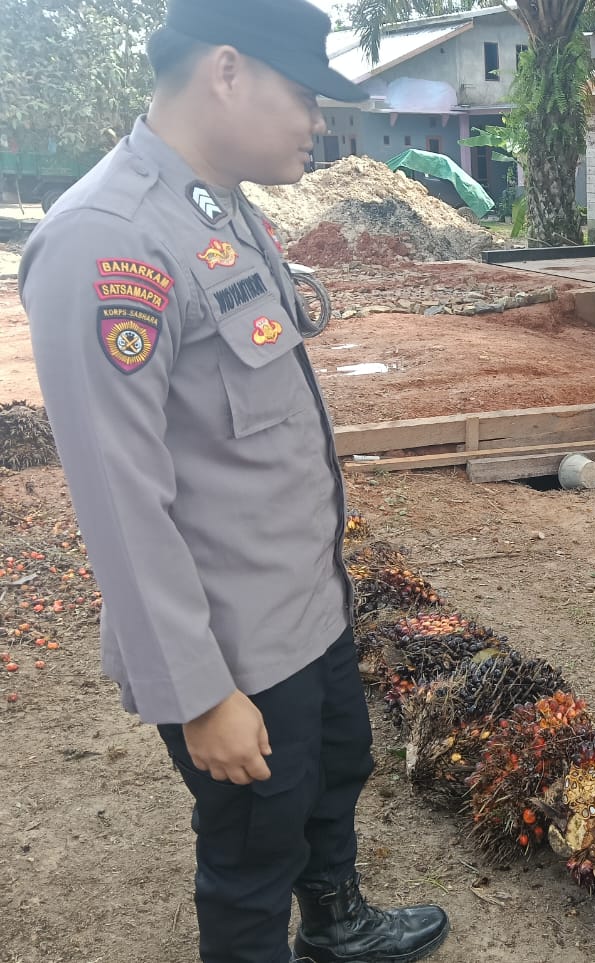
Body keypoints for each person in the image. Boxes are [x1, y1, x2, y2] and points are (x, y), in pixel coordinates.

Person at [19, 2, 450, 962]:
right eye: (303, 96)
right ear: (226, 72)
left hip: (303, 599)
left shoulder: (217, 203)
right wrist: (201, 692)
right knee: (254, 849)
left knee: (334, 772)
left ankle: (336, 923)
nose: (318, 123)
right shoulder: (107, 239)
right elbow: (119, 502)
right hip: (233, 640)